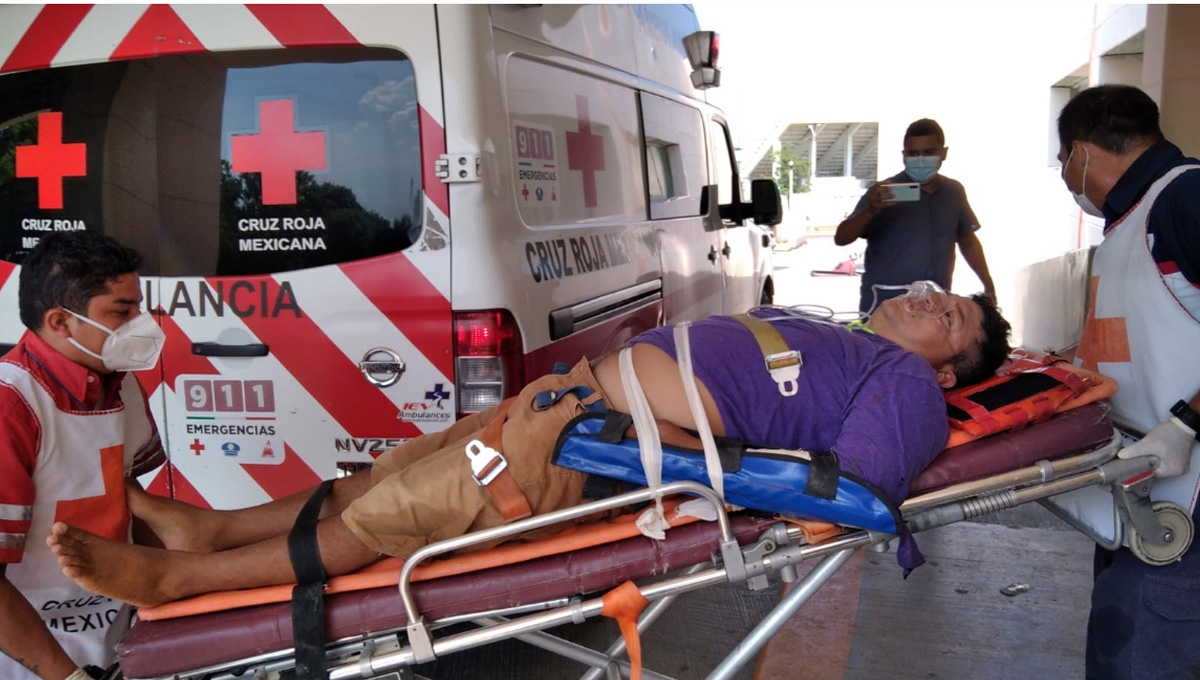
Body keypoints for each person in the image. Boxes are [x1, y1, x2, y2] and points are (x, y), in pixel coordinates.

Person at [46, 287, 1011, 610]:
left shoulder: (908, 388)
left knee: (398, 518)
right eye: (933, 288)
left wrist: (669, 457)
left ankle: (179, 583)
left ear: (954, 368)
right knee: (382, 475)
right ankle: (209, 530)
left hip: (599, 444)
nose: (930, 297)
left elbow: (860, 491)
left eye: (951, 313)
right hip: (567, 403)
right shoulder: (831, 328)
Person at [1056, 84, 1200, 680]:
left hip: (1184, 490)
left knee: (1148, 647)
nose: (1065, 175)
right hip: (1136, 480)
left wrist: (1187, 424)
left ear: (1083, 151)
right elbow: (1133, 340)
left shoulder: (1184, 197)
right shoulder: (1129, 227)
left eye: (1063, 159)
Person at [0, 232, 166, 680]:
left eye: (139, 308)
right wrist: (67, 677)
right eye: (121, 311)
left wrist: (173, 591)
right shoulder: (10, 405)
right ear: (60, 321)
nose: (141, 323)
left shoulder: (121, 384)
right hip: (30, 662)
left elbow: (132, 504)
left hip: (117, 641)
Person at [834, 118, 996, 314]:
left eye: (928, 153)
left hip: (934, 309)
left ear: (943, 153)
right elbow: (841, 238)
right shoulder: (883, 192)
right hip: (885, 310)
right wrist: (870, 211)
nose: (920, 160)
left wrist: (988, 285)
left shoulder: (953, 192)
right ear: (903, 156)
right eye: (913, 154)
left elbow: (968, 241)